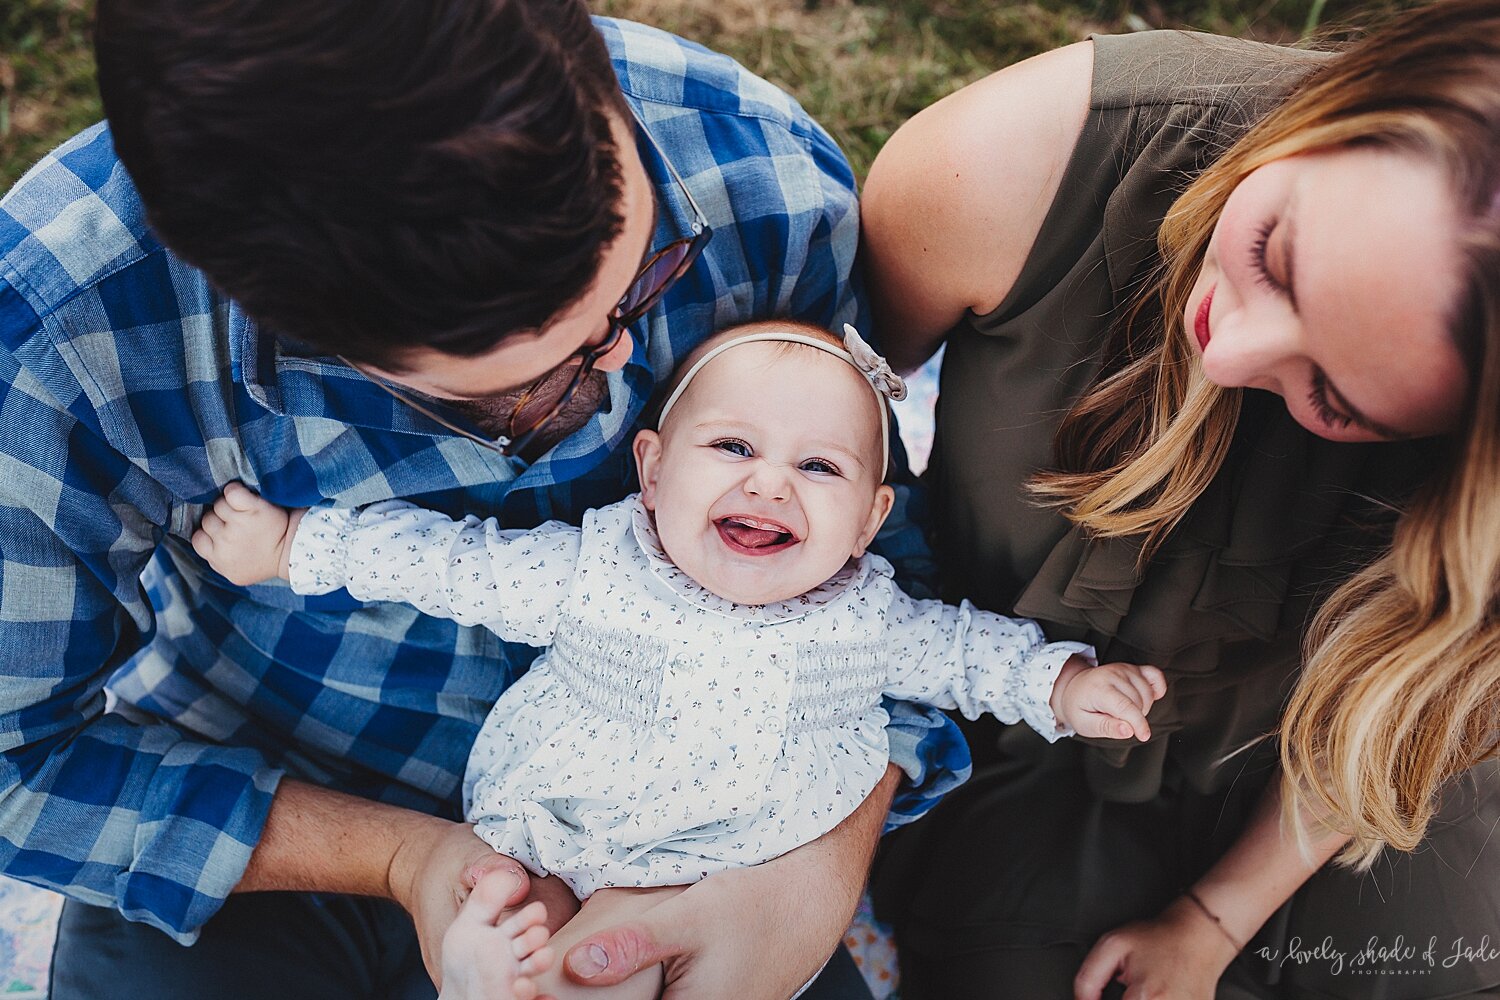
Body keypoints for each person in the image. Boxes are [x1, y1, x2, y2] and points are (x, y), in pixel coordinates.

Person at [0, 1, 968, 997]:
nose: (626, 356)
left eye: (641, 284)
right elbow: (15, 769)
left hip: (680, 823)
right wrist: (402, 860)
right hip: (270, 793)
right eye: (541, 383)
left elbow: (885, 564)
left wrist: (820, 865)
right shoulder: (53, 333)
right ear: (283, 317)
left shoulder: (761, 177)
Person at [191, 318, 1168, 1000]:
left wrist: (1064, 683)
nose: (770, 482)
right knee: (505, 902)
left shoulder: (868, 618)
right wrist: (293, 548)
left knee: (619, 971)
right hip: (554, 823)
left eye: (820, 467)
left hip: (716, 881)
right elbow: (453, 568)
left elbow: (964, 656)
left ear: (871, 520)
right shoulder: (595, 567)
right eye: (733, 446)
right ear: (654, 470)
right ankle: (486, 978)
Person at [860, 0, 1500, 997]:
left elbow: (1414, 709)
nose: (1230, 350)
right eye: (1273, 255)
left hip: (1348, 766)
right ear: (1354, 99)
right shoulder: (1005, 164)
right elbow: (808, 433)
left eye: (1336, 398)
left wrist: (1215, 920)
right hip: (1031, 724)